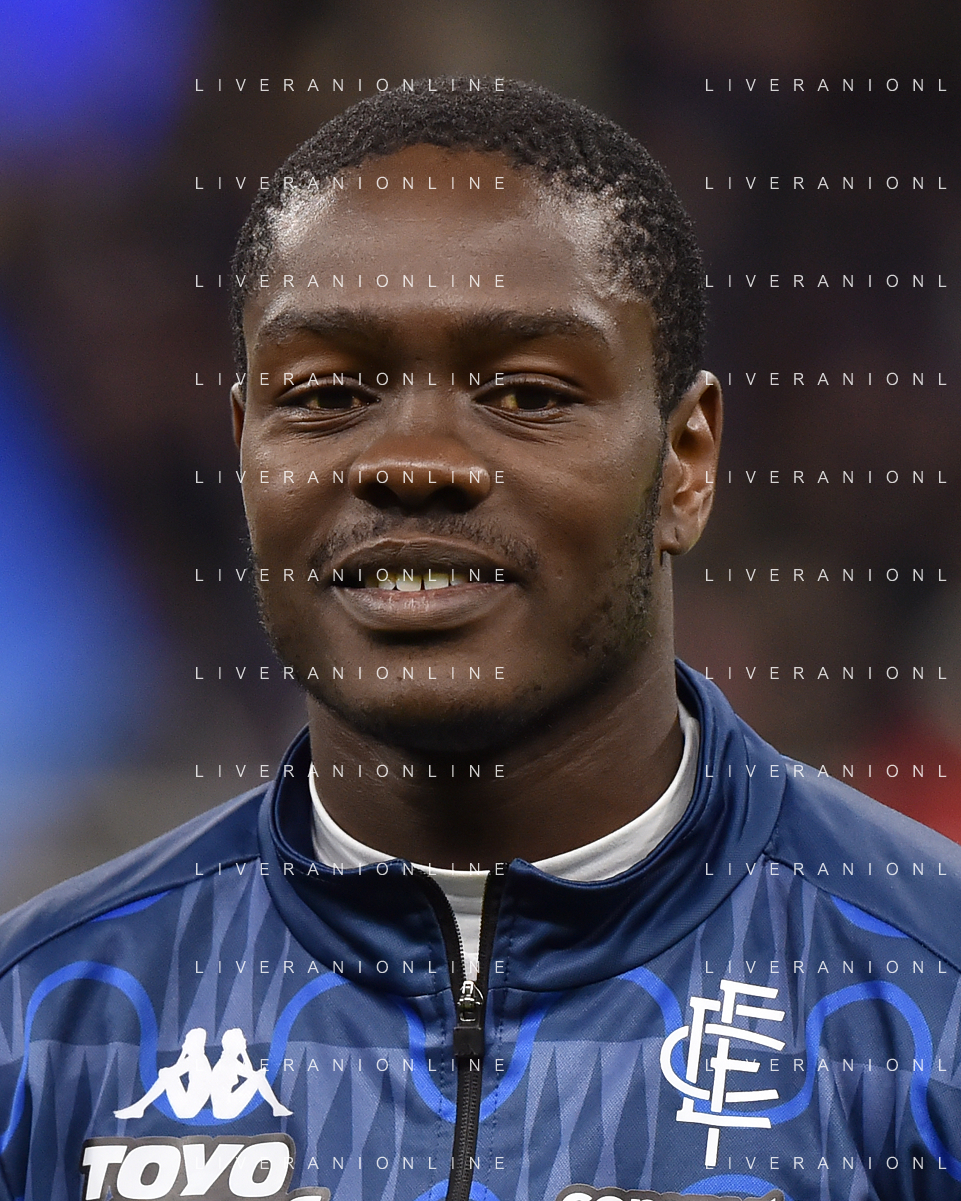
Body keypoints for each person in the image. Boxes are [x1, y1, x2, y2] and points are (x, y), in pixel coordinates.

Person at [0, 79, 959, 1201]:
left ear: (685, 463)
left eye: (525, 392)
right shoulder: (42, 1028)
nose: (413, 460)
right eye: (325, 393)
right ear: (246, 449)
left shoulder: (926, 1000)